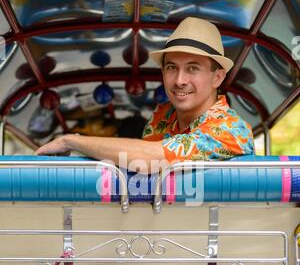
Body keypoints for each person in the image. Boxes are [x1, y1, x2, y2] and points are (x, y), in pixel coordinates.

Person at [36, 17, 254, 173]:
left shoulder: (231, 130)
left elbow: (144, 161)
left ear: (217, 77)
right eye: (171, 68)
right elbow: (136, 174)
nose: (179, 80)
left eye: (192, 68)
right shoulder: (162, 115)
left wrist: (71, 141)